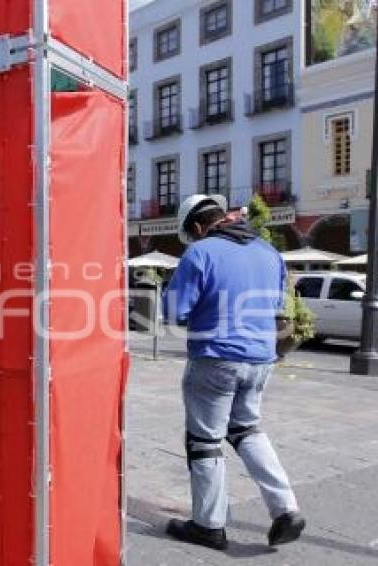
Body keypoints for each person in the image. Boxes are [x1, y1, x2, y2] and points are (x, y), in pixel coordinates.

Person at [162, 194, 305, 551]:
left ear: (197, 227)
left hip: (215, 359)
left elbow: (175, 312)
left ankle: (208, 526)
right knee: (247, 429)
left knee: (204, 441)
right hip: (260, 359)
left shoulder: (200, 252)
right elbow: (276, 306)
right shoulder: (268, 253)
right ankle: (286, 509)